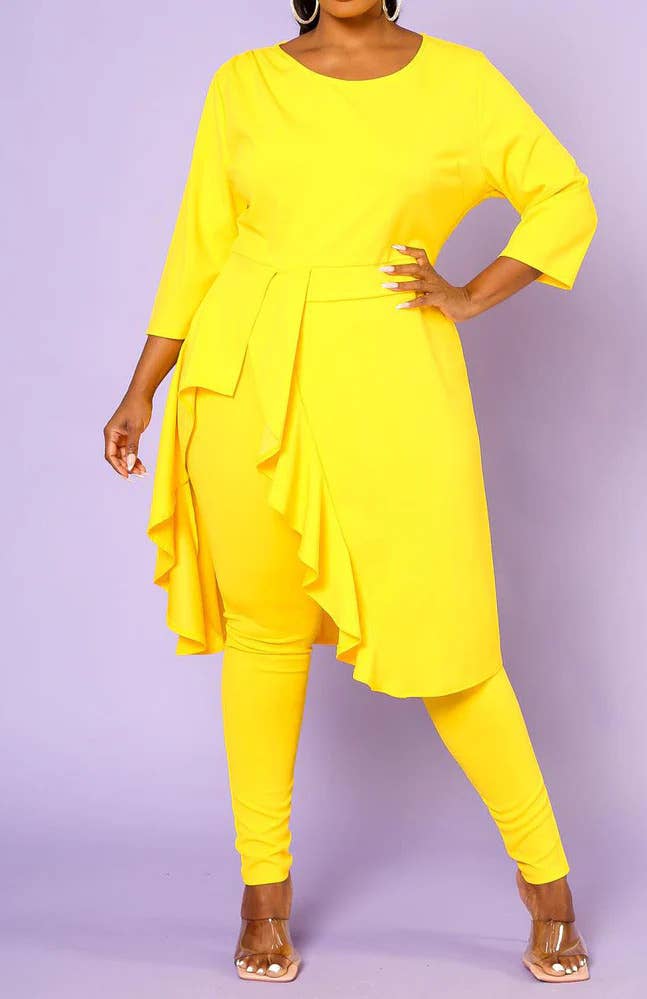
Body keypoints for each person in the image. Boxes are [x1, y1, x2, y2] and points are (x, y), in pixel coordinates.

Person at [103, 0, 597, 985]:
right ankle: (262, 895)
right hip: (242, 376)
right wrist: (142, 386)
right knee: (265, 636)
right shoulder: (245, 81)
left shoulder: (458, 80)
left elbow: (562, 196)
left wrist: (469, 293)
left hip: (387, 379)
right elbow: (199, 246)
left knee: (450, 644)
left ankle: (547, 886)